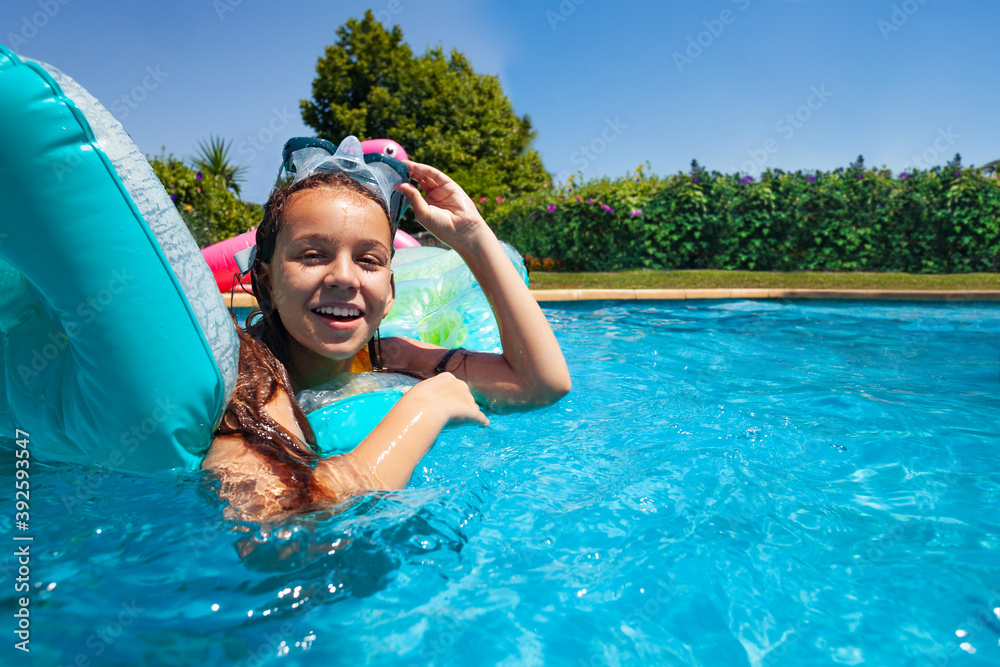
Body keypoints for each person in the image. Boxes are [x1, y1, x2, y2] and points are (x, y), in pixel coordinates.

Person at [202, 137, 570, 521]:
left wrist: (473, 237)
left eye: (368, 260)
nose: (344, 277)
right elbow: (276, 531)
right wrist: (426, 407)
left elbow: (540, 385)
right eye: (312, 255)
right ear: (267, 282)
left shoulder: (390, 357)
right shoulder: (252, 383)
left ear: (390, 293)